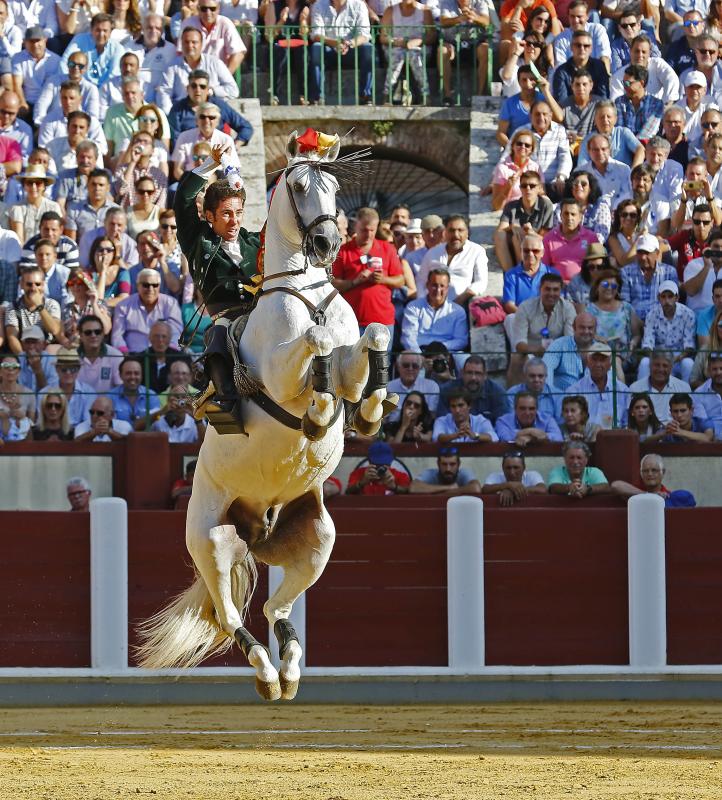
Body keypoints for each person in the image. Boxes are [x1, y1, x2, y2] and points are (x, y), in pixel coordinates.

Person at [174, 141, 260, 433]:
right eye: (226, 213)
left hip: (262, 314)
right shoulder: (198, 241)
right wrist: (211, 165)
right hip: (226, 318)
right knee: (219, 333)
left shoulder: (256, 242)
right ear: (209, 216)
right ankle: (228, 402)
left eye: (238, 212)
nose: (234, 220)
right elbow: (183, 199)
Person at [332, 206, 404, 342]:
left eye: (372, 230)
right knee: (351, 363)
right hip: (351, 321)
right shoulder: (343, 251)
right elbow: (333, 284)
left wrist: (383, 279)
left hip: (382, 321)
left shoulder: (387, 248)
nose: (369, 234)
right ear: (355, 226)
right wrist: (355, 281)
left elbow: (400, 280)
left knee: (382, 363)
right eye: (364, 229)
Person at [508, 272, 576, 385]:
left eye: (555, 290)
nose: (551, 293)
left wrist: (552, 352)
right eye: (547, 289)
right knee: (516, 358)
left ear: (561, 291)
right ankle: (513, 399)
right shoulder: (525, 307)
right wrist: (537, 350)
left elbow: (570, 340)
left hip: (559, 353)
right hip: (532, 353)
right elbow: (519, 344)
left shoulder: (568, 308)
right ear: (540, 289)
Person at [308, 0, 373, 105]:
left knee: (368, 48)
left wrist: (349, 43)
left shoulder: (358, 5)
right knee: (316, 48)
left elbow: (364, 35)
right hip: (328, 48)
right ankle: (317, 97)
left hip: (352, 48)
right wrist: (335, 43)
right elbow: (316, 35)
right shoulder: (319, 5)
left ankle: (366, 95)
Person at [416, 215, 488, 304]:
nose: (456, 235)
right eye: (451, 230)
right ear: (445, 232)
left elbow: (481, 282)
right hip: (430, 305)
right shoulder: (433, 252)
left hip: (461, 305)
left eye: (460, 230)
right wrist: (423, 301)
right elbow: (421, 280)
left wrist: (461, 299)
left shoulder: (476, 251)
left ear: (467, 232)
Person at [111, 268, 183, 353]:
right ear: (138, 286)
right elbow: (117, 336)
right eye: (146, 285)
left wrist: (170, 351)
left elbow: (176, 333)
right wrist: (125, 354)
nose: (150, 289)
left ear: (159, 286)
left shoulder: (171, 304)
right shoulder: (123, 306)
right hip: (133, 356)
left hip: (164, 354)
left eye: (155, 285)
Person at [586, 269, 642, 380]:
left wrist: (633, 344)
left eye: (614, 286)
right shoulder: (589, 309)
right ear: (597, 287)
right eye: (605, 284)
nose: (609, 288)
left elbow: (636, 334)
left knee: (615, 362)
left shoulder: (626, 308)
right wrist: (595, 337)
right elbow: (584, 333)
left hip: (622, 354)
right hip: (597, 352)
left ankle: (621, 396)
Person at [494, 170, 554, 271]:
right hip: (514, 244)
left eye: (532, 186)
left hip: (536, 245)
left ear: (539, 188)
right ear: (520, 188)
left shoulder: (546, 205)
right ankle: (511, 274)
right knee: (501, 235)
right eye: (524, 186)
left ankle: (524, 272)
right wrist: (514, 227)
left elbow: (547, 237)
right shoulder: (511, 206)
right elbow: (500, 230)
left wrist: (530, 233)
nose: (528, 189)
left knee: (521, 238)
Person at [638, 281, 696, 383]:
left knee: (688, 363)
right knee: (644, 362)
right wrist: (658, 360)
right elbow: (647, 344)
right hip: (657, 356)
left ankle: (687, 397)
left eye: (670, 296)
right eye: (663, 297)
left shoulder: (688, 314)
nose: (667, 300)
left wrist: (675, 359)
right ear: (658, 298)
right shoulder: (651, 315)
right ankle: (641, 395)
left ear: (677, 298)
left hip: (679, 357)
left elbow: (689, 347)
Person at [400, 268, 469, 353]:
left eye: (442, 286)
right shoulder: (413, 307)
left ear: (447, 288)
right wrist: (419, 356)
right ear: (427, 285)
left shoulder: (458, 311)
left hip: (447, 352)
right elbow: (408, 337)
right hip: (418, 352)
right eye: (434, 285)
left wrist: (439, 349)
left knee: (464, 359)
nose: (438, 290)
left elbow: (461, 340)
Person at [566, 342, 630, 428]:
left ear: (610, 365)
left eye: (602, 360)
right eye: (594, 359)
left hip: (615, 438)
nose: (598, 364)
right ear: (587, 363)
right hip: (585, 439)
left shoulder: (622, 390)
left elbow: (627, 424)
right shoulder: (574, 391)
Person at [619, 234, 678, 322]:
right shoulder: (626, 272)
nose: (643, 257)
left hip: (662, 321)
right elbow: (625, 305)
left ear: (657, 253)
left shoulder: (669, 272)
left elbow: (672, 303)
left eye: (647, 253)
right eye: (640, 252)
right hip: (634, 322)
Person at [4, 268, 64, 354]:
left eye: (38, 284)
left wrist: (39, 306)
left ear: (43, 285)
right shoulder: (13, 307)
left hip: (46, 351)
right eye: (29, 284)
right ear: (21, 285)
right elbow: (12, 337)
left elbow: (54, 330)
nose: (33, 288)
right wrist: (24, 358)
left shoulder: (52, 304)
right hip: (24, 350)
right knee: (9, 362)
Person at [437, 354, 509, 424]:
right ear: (462, 373)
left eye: (478, 373)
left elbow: (503, 425)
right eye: (469, 373)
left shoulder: (497, 392)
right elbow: (442, 423)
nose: (473, 378)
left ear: (485, 375)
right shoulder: (447, 390)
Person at [502, 233, 558, 318]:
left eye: (535, 251)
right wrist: (528, 317)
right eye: (526, 250)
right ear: (521, 252)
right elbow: (509, 305)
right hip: (521, 318)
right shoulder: (511, 275)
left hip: (547, 317)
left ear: (542, 253)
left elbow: (558, 302)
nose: (530, 254)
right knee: (510, 319)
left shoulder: (553, 274)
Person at [542, 198, 599, 283]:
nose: (569, 217)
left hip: (584, 285)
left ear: (580, 217)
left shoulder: (591, 238)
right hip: (556, 286)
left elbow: (598, 266)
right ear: (560, 215)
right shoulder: (549, 238)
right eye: (566, 213)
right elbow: (544, 268)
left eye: (573, 214)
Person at [611, 453, 697, 507]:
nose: (650, 474)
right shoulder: (635, 492)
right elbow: (615, 485)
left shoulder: (669, 496)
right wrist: (649, 495)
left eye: (654, 470)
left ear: (662, 472)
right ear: (641, 473)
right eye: (645, 471)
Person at [629, 350, 692, 423]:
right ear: (649, 366)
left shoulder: (683, 387)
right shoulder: (635, 388)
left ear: (671, 368)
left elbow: (688, 418)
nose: (660, 369)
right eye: (657, 365)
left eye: (665, 366)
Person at [491, 129, 544, 212]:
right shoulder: (502, 168)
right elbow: (495, 206)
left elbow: (542, 194)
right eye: (519, 144)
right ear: (513, 146)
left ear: (531, 150)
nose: (523, 147)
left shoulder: (535, 167)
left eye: (527, 145)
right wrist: (507, 188)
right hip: (510, 213)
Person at [542, 311, 598, 390]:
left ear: (595, 330)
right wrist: (551, 395)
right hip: (562, 398)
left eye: (590, 328)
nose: (586, 331)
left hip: (592, 399)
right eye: (582, 327)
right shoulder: (559, 344)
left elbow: (609, 379)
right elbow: (546, 369)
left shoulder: (601, 349)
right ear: (574, 328)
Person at [109, 354, 161, 430]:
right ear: (120, 375)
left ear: (141, 375)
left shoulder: (151, 396)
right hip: (119, 440)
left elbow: (157, 420)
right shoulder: (110, 397)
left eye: (136, 373)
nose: (133, 377)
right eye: (128, 373)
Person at [76, 313, 123, 393]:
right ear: (80, 335)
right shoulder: (71, 356)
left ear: (102, 334)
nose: (93, 335)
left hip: (108, 403)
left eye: (97, 332)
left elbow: (121, 388)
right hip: (79, 403)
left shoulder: (116, 356)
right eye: (88, 332)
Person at [494, 390, 563, 445]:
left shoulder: (547, 419)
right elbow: (504, 437)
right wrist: (531, 431)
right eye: (523, 408)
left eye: (531, 409)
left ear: (537, 409)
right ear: (515, 408)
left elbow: (558, 437)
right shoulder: (503, 421)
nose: (527, 413)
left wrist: (531, 438)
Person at [481, 450, 546, 506]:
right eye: (508, 468)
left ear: (524, 467)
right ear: (503, 468)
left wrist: (513, 491)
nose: (512, 472)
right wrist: (508, 485)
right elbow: (485, 489)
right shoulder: (495, 476)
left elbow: (543, 489)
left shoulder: (532, 474)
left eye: (516, 467)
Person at [346, 440, 411, 496]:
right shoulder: (358, 473)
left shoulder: (400, 475)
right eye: (376, 464)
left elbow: (407, 491)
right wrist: (362, 482)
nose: (380, 467)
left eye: (384, 464)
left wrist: (394, 487)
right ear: (369, 461)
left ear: (390, 462)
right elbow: (348, 492)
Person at [386, 351, 440, 417]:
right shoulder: (388, 387)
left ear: (420, 368)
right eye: (406, 365)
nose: (410, 369)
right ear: (398, 367)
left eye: (415, 366)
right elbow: (384, 419)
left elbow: (431, 416)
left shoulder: (431, 387)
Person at [432, 390, 498, 443]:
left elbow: (494, 438)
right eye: (453, 406)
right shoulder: (442, 421)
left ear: (469, 406)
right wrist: (456, 435)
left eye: (460, 405)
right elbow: (437, 438)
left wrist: (475, 435)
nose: (457, 410)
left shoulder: (480, 420)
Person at [409, 446, 482, 495]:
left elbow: (476, 488)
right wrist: (449, 487)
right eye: (444, 464)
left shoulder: (464, 473)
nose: (448, 469)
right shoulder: (430, 474)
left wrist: (441, 494)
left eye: (452, 464)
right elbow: (413, 487)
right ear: (438, 464)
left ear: (458, 464)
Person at [693, 352, 722, 438]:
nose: (719, 372)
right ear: (709, 370)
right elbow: (703, 424)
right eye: (714, 369)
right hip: (712, 441)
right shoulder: (698, 393)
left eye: (721, 368)